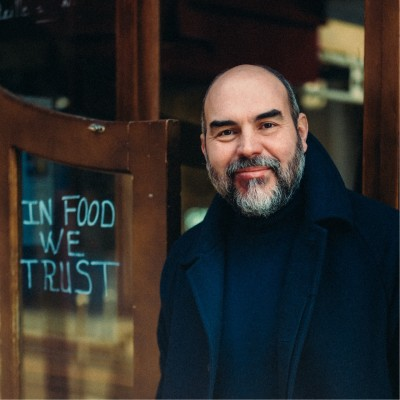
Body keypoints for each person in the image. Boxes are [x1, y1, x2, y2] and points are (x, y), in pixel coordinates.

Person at [157, 64, 399, 399]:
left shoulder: (385, 242)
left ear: (301, 132)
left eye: (267, 125)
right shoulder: (184, 261)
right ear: (204, 148)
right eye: (226, 132)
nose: (248, 147)